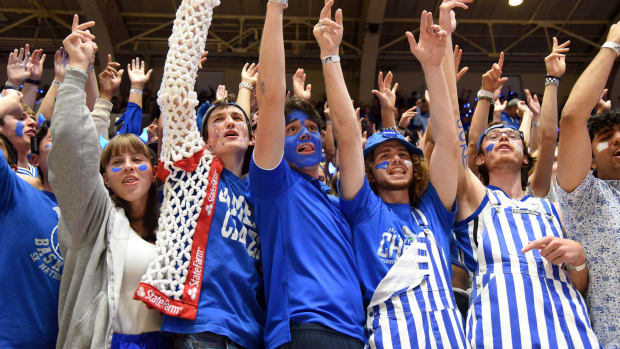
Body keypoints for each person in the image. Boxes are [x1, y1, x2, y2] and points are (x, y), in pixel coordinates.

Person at [329, 0, 466, 345]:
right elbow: (346, 134)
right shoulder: (362, 209)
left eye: (404, 154)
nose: (396, 160)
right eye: (384, 156)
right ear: (370, 172)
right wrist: (331, 54)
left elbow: (450, 142)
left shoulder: (434, 210)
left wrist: (434, 66)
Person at [452, 49, 600, 347]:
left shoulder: (545, 202)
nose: (504, 137)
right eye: (493, 138)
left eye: (512, 135)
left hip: (568, 331)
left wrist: (579, 260)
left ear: (525, 159)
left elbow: (547, 137)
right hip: (500, 331)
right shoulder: (474, 200)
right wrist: (483, 94)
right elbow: (465, 142)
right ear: (480, 159)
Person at [49, 16, 170, 348]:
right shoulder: (92, 216)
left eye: (137, 159)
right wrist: (77, 69)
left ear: (153, 168)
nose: (128, 167)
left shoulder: (170, 223)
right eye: (117, 163)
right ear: (103, 177)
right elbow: (74, 147)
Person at [249, 1, 364, 347]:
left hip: (356, 334)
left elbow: (349, 136)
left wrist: (332, 53)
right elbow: (270, 99)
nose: (304, 134)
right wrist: (275, 10)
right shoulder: (275, 184)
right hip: (304, 329)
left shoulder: (335, 196)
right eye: (292, 128)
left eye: (312, 127)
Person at [556, 21, 620, 347]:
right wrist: (612, 45)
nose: (618, 140)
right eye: (607, 138)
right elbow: (571, 118)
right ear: (590, 159)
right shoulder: (587, 196)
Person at [0, 90, 62, 348]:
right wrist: (5, 104)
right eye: (53, 141)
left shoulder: (96, 211)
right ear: (35, 159)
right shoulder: (14, 191)